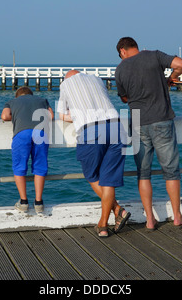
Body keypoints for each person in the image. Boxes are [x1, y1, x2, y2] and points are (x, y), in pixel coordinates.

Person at [115, 37, 182, 229]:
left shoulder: (120, 69)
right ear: (135, 47)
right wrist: (171, 78)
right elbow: (180, 64)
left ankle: (149, 220)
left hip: (138, 121)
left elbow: (124, 99)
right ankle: (177, 217)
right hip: (161, 119)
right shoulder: (154, 56)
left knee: (143, 173)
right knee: (171, 171)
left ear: (122, 51)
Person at [57, 70, 131, 237]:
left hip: (91, 130)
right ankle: (104, 224)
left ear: (67, 78)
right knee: (109, 179)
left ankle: (115, 213)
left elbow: (62, 115)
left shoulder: (65, 84)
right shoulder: (97, 79)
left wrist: (77, 115)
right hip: (116, 127)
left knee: (91, 175)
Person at [1, 86, 54, 215]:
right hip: (40, 133)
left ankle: (24, 202)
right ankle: (39, 202)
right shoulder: (42, 100)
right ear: (31, 95)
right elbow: (51, 116)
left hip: (22, 133)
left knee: (19, 167)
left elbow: (4, 116)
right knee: (40, 167)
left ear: (17, 96)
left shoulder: (12, 102)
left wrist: (16, 115)